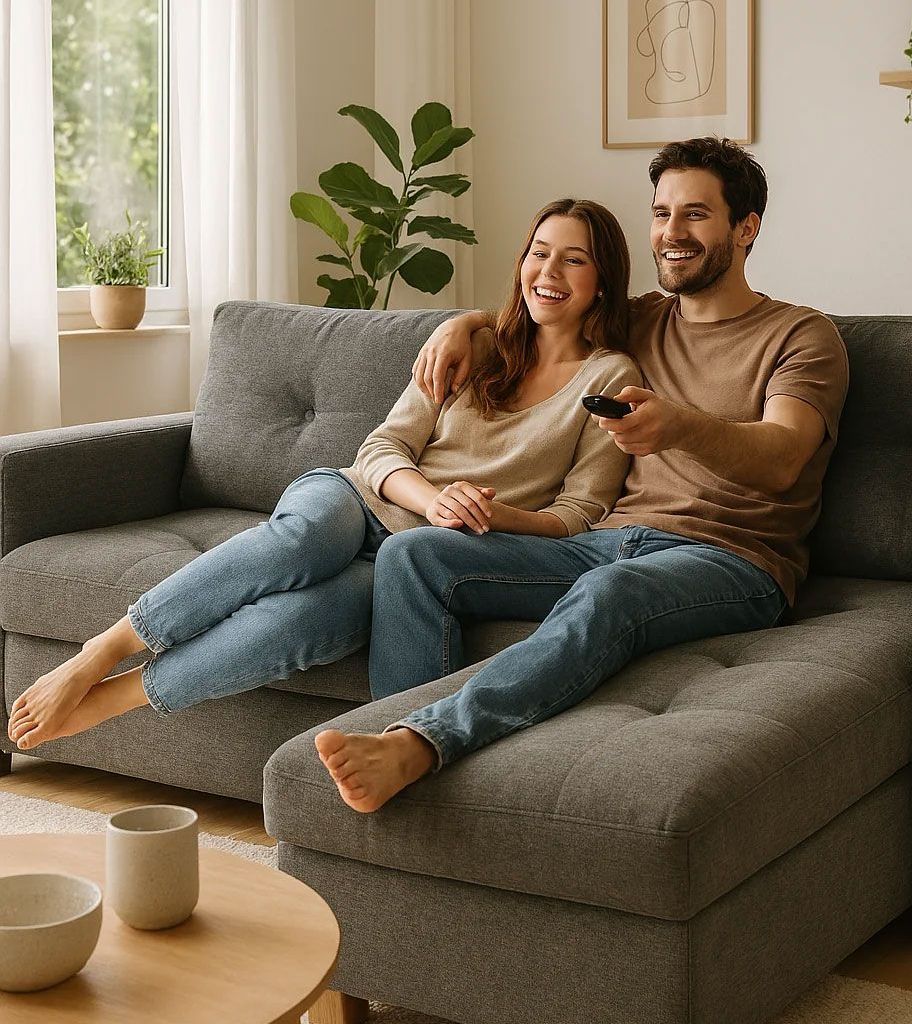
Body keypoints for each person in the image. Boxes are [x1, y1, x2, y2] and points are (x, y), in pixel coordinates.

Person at [314, 137, 850, 814]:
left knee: (611, 592)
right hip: (607, 538)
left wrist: (679, 426)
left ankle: (422, 741)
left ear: (746, 228)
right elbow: (543, 306)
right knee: (413, 555)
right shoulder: (640, 321)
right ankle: (394, 768)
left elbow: (782, 457)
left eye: (696, 215)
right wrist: (467, 323)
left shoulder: (802, 336)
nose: (671, 234)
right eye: (661, 213)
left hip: (731, 560)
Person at [7, 198, 640, 751]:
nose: (548, 273)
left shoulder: (611, 378)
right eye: (538, 253)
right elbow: (382, 448)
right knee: (303, 541)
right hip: (357, 498)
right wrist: (432, 497)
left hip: (416, 555)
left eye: (574, 260)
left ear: (603, 280)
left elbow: (581, 513)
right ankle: (99, 654)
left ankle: (113, 701)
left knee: (300, 624)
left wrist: (495, 517)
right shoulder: (472, 349)